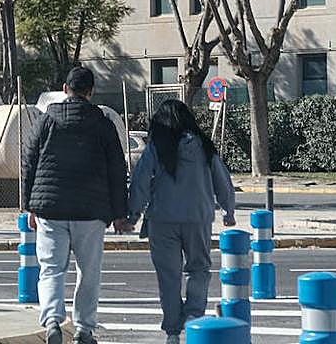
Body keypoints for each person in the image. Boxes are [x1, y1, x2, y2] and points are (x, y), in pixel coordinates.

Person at [22, 66, 129, 344]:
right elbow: (117, 168)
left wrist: (28, 205)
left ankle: (53, 323)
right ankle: (83, 328)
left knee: (51, 269)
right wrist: (120, 213)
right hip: (91, 212)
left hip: (50, 210)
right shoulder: (103, 123)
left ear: (65, 89)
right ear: (90, 92)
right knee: (89, 271)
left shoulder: (45, 121)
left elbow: (29, 162)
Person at [127, 99, 236, 344]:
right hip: (198, 218)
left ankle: (173, 331)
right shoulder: (205, 147)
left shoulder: (157, 146)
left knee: (169, 276)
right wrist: (228, 211)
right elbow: (223, 180)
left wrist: (132, 215)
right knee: (199, 269)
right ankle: (194, 314)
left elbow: (140, 181)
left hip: (162, 219)